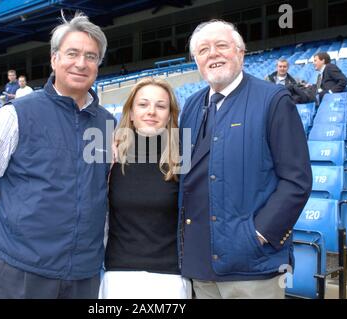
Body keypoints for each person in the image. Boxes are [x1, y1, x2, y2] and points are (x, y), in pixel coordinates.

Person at [0, 11, 114, 299]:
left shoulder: (107, 122)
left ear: (98, 64)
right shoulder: (16, 114)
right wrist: (15, 222)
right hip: (22, 270)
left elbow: (101, 189)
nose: (81, 63)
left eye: (91, 57)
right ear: (54, 59)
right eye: (72, 53)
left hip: (84, 273)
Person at [178, 20, 312, 299]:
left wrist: (258, 235)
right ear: (197, 62)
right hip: (200, 265)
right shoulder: (191, 106)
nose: (212, 54)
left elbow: (296, 181)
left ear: (240, 52)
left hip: (252, 266)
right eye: (203, 50)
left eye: (221, 46)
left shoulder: (273, 99)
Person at [99, 78, 191, 299]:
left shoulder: (184, 156)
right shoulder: (109, 155)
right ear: (130, 112)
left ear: (170, 114)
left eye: (160, 106)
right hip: (118, 277)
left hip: (170, 279)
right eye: (143, 104)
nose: (152, 111)